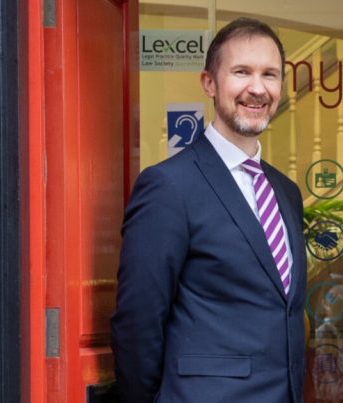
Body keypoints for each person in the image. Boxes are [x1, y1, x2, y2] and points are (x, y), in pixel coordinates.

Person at [111, 18, 307, 403]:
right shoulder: (169, 186)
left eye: (270, 74)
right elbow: (138, 320)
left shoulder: (286, 193)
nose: (257, 88)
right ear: (209, 83)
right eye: (241, 72)